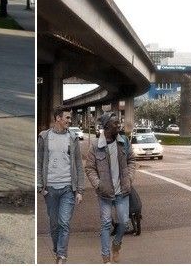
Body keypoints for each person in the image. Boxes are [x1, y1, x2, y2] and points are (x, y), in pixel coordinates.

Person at [39, 106, 86, 264]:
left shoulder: (72, 138)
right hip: (50, 188)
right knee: (54, 225)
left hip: (67, 188)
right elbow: (39, 162)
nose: (69, 120)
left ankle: (61, 256)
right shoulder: (44, 137)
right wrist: (41, 186)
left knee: (64, 223)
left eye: (69, 117)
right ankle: (57, 248)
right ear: (58, 118)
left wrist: (79, 190)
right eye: (66, 117)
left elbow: (78, 164)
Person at [86, 113, 134, 263]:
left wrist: (130, 178)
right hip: (105, 193)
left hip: (122, 191)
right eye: (115, 123)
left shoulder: (124, 142)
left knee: (124, 222)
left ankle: (116, 245)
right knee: (106, 224)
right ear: (106, 126)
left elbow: (131, 160)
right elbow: (89, 168)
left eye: (118, 122)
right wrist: (98, 184)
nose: (118, 125)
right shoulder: (95, 146)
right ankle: (105, 257)